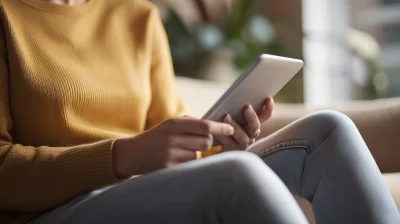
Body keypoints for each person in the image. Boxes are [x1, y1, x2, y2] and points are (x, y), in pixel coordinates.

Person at [0, 0, 398, 223]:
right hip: (51, 213)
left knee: (327, 132)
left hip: (136, 192)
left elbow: (173, 142)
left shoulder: (136, 16)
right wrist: (122, 155)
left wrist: (224, 138)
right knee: (238, 176)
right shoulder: (8, 15)